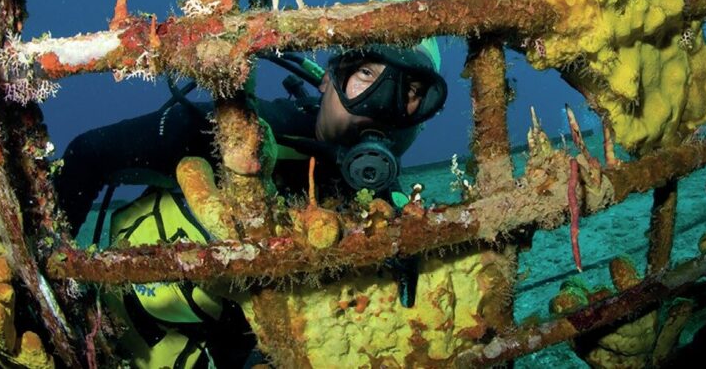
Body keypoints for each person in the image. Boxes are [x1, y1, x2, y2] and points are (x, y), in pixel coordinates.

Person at [54, 38, 447, 368]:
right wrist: (49, 290)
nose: (382, 106)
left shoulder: (393, 207)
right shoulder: (249, 132)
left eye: (410, 92)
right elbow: (89, 153)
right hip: (118, 331)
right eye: (366, 75)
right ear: (328, 80)